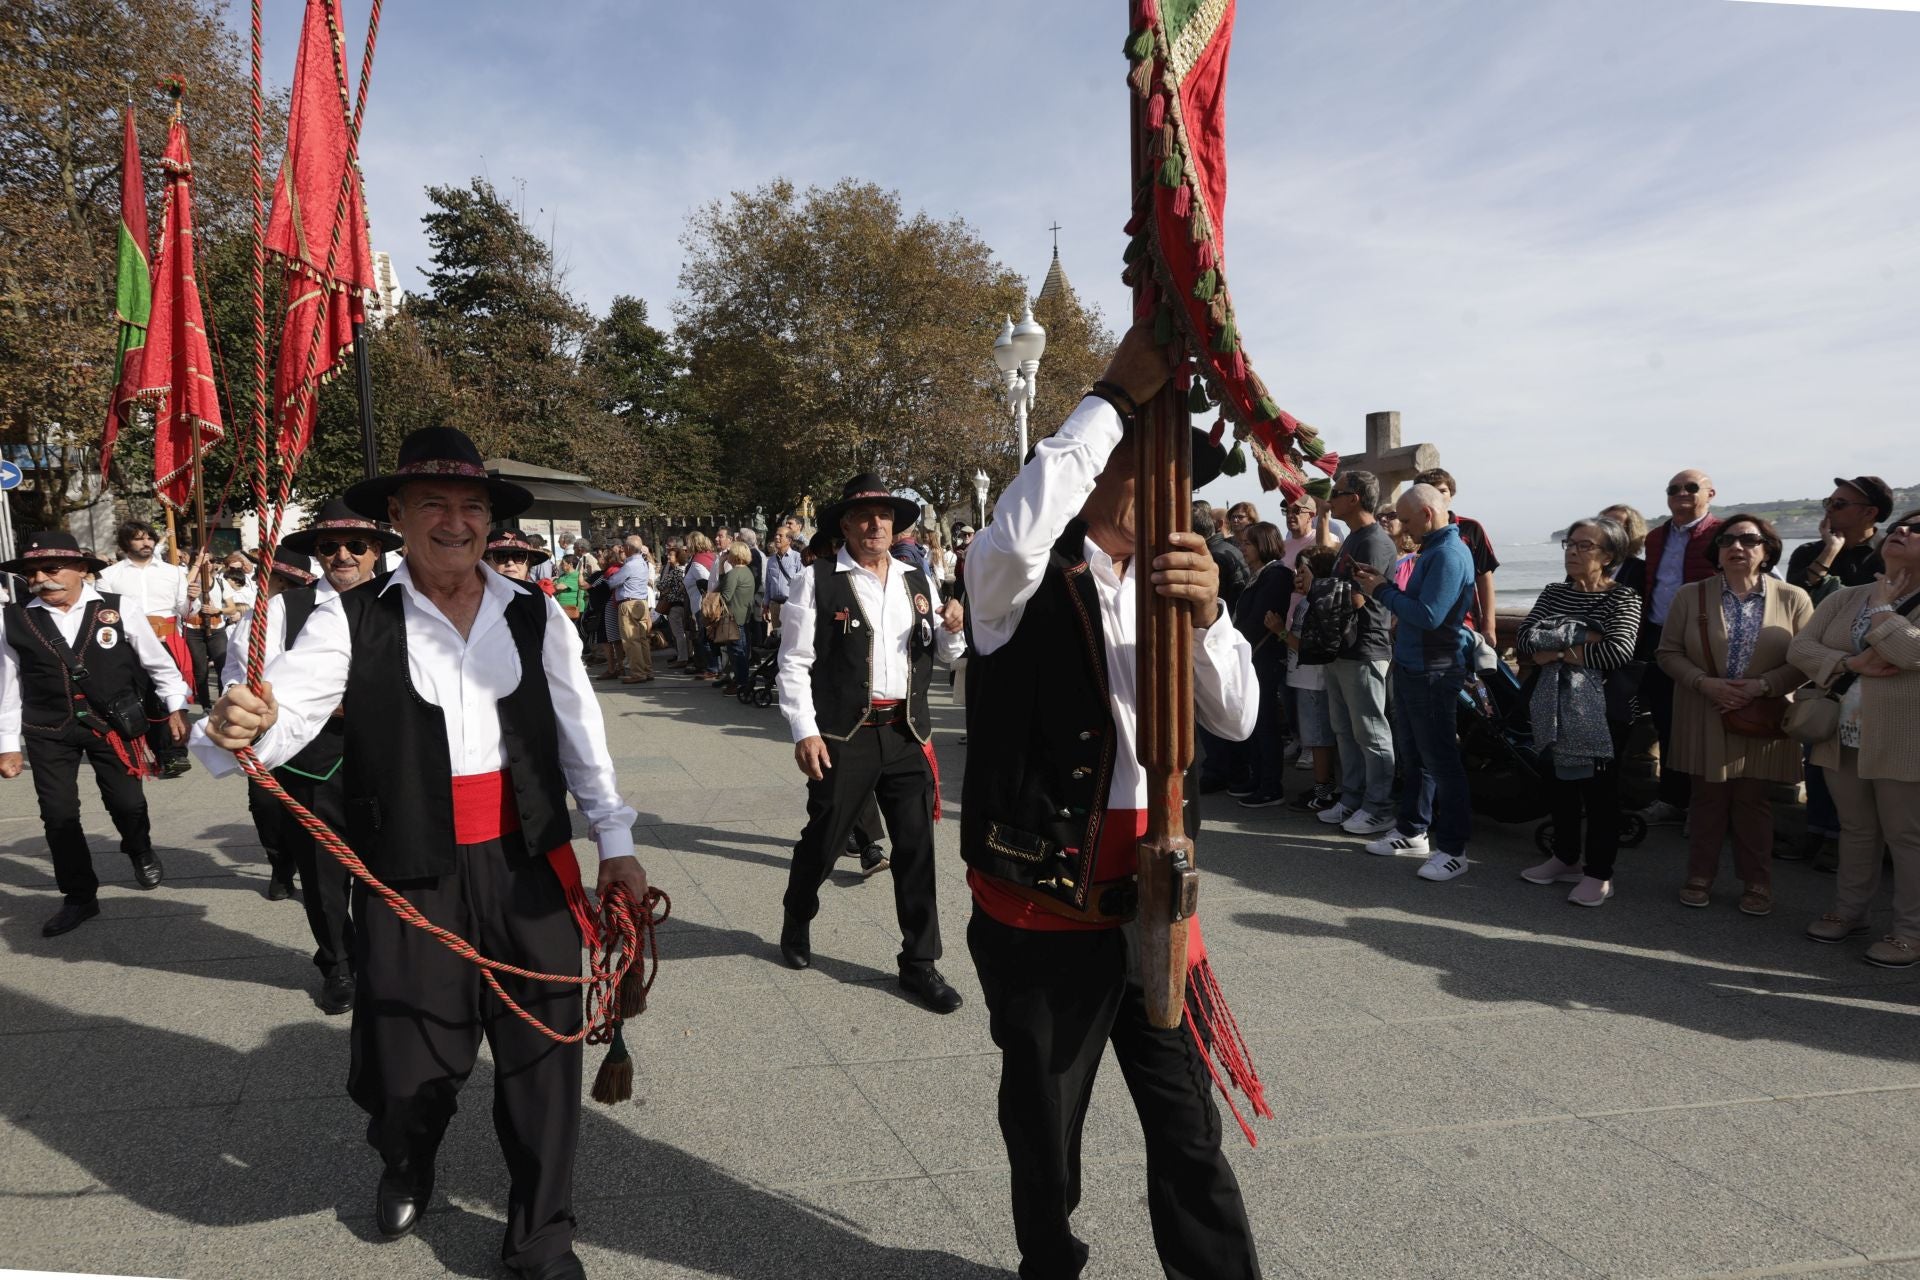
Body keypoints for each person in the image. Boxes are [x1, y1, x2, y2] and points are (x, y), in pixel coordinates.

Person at [194, 426, 645, 1280]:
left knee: (543, 1061)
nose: (455, 520)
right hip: (409, 869)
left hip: (530, 865)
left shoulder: (535, 612)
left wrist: (613, 842)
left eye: (471, 505)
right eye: (433, 504)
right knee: (410, 1067)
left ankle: (543, 1237)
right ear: (397, 516)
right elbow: (282, 708)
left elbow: (581, 734)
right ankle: (406, 1155)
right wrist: (235, 722)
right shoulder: (351, 616)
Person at [960, 324, 1262, 1280]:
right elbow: (1019, 524)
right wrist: (1109, 400)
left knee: (1187, 1127)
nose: (1169, 486)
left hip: (1158, 901)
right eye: (1144, 462)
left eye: (1177, 469)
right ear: (1096, 471)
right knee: (1045, 1133)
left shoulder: (1186, 579)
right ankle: (1050, 1266)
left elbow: (1242, 719)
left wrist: (1211, 615)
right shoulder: (1012, 576)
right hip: (1046, 903)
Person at [775, 472, 967, 1013]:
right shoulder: (816, 580)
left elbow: (947, 658)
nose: (874, 524)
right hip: (844, 735)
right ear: (846, 525)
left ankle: (920, 963)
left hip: (907, 732)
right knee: (826, 837)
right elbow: (794, 663)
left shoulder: (917, 580)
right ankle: (798, 912)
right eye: (863, 516)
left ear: (896, 525)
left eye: (883, 515)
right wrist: (804, 730)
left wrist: (954, 626)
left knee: (916, 848)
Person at [0, 532, 192, 936]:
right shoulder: (14, 618)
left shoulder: (120, 608)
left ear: (83, 570)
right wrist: (7, 746)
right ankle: (79, 897)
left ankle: (139, 848)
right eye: (32, 571)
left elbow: (158, 664)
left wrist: (177, 705)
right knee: (58, 816)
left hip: (111, 725)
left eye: (52, 569)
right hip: (48, 729)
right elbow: (8, 687)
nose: (41, 578)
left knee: (127, 802)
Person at [223, 538, 367, 1012]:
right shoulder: (281, 610)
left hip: (389, 763)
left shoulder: (404, 598)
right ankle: (338, 966)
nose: (344, 555)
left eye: (358, 545)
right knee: (323, 876)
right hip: (311, 761)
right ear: (318, 555)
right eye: (330, 546)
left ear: (378, 550)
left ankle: (387, 958)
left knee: (393, 872)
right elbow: (246, 681)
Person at [1657, 514, 1811, 916]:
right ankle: (1699, 875)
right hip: (1703, 708)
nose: (1737, 547)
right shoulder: (1691, 595)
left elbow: (1807, 659)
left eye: (1748, 539)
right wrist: (1706, 684)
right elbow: (1667, 653)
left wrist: (1763, 686)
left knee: (1753, 801)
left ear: (1767, 550)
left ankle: (1757, 882)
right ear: (1717, 551)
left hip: (1762, 712)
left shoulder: (1793, 598)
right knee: (1706, 798)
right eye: (1727, 540)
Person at [1788, 510, 1920, 966]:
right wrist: (1849, 665)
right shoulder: (1847, 598)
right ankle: (1850, 912)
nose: (1904, 530)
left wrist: (1885, 607)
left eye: (1918, 529)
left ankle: (1910, 934)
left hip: (1906, 740)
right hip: (1841, 732)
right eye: (1901, 525)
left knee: (1907, 837)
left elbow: (1911, 652)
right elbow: (1800, 648)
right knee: (1857, 830)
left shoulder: (1876, 601)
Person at [1514, 516, 1644, 907]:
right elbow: (1524, 641)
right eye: (1570, 543)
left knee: (1600, 793)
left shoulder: (1623, 598)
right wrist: (1581, 636)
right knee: (1558, 783)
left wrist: (1551, 650)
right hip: (1549, 706)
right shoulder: (1554, 592)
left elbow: (1616, 651)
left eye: (1585, 545)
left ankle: (1599, 873)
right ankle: (1566, 857)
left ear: (1608, 555)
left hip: (1601, 711)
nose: (1573, 550)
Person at [1350, 483, 1477, 879]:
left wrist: (1382, 590)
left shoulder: (1449, 554)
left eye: (1405, 520)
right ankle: (1412, 831)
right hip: (1412, 666)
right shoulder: (1433, 550)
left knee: (1442, 761)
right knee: (1416, 757)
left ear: (1427, 514)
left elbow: (1428, 615)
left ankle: (1455, 849)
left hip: (1434, 670)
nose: (1401, 528)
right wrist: (1384, 587)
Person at [1782, 476, 1892, 870]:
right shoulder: (1811, 552)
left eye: (1840, 504)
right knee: (1818, 753)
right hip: (1822, 666)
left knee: (1860, 764)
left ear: (1870, 513)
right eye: (1829, 501)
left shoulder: (1887, 555)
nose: (1830, 510)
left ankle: (1845, 840)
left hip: (1876, 673)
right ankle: (1816, 832)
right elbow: (1798, 602)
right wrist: (1828, 553)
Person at [1310, 469, 1400, 833]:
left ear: (1356, 498)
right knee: (1344, 730)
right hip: (1341, 648)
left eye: (1338, 491)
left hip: (1364, 647)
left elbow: (1364, 595)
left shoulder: (1375, 542)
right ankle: (1352, 798)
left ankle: (1379, 805)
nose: (1332, 495)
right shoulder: (1352, 538)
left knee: (1371, 731)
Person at [1638, 469, 1723, 826]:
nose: (1681, 493)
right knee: (1666, 722)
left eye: (1691, 487)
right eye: (1674, 488)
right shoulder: (1656, 537)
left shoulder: (1725, 534)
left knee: (1706, 725)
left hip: (1705, 641)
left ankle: (1705, 809)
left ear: (1710, 493)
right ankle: (1673, 800)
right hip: (1659, 638)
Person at [96, 520, 197, 777]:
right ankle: (140, 750)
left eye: (149, 538)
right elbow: (103, 613)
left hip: (166, 642)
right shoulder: (109, 576)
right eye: (139, 539)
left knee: (168, 698)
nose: (146, 543)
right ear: (126, 543)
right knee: (136, 700)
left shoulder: (173, 573)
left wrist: (192, 599)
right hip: (127, 646)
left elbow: (185, 611)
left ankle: (173, 755)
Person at [1231, 520, 1292, 807]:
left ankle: (1271, 784)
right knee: (1254, 721)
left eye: (1248, 544)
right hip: (1250, 657)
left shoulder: (1276, 575)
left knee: (1266, 722)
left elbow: (1259, 620)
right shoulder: (1259, 574)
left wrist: (1237, 641)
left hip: (1263, 658)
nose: (1242, 549)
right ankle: (1257, 776)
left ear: (1263, 545)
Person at [1194, 501, 1252, 794]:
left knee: (1218, 709)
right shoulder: (1225, 550)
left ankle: (1223, 771)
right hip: (1224, 636)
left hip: (1219, 638)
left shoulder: (1216, 556)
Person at [1280, 548, 1340, 811]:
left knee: (1319, 739)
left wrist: (1278, 632)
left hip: (1314, 681)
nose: (1297, 577)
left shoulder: (1319, 602)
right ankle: (1322, 787)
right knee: (1314, 737)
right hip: (1303, 679)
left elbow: (1307, 646)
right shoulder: (1306, 601)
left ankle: (1324, 792)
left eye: (1302, 571)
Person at [1414, 467, 1499, 647]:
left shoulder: (1470, 528)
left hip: (1464, 624)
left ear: (1451, 494)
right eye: (1430, 491)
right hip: (1420, 621)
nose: (1437, 496)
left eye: (1442, 490)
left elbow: (1483, 577)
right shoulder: (1412, 531)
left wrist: (1489, 627)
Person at [712, 540, 755, 693]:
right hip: (743, 615)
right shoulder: (747, 571)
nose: (727, 555)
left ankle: (741, 683)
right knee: (741, 650)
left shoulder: (735, 573)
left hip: (734, 617)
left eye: (729, 553)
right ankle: (740, 680)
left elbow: (725, 596)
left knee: (737, 652)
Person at [612, 535, 654, 685]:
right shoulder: (643, 563)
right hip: (641, 602)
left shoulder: (630, 565)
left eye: (624, 546)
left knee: (631, 641)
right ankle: (647, 670)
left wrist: (611, 578)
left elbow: (613, 582)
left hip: (629, 603)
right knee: (642, 639)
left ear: (629, 548)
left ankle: (638, 673)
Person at [1602, 504, 1649, 595]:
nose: (1606, 529)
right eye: (1603, 523)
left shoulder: (1640, 570)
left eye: (1614, 524)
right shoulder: (1583, 564)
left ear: (1631, 531)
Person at [484, 528, 548, 582]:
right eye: (501, 556)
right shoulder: (478, 597)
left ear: (528, 564)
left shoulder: (540, 596)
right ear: (485, 562)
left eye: (519, 556)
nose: (510, 562)